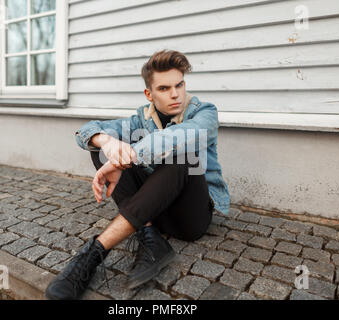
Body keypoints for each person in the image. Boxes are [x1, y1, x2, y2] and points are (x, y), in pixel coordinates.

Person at [45, 50, 230, 300]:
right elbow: (85, 131)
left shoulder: (204, 112)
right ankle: (150, 236)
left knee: (182, 155)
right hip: (155, 208)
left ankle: (92, 255)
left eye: (179, 85)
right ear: (149, 94)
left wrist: (130, 154)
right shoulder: (139, 120)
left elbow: (179, 137)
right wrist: (107, 142)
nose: (175, 94)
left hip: (191, 217)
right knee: (102, 152)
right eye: (164, 88)